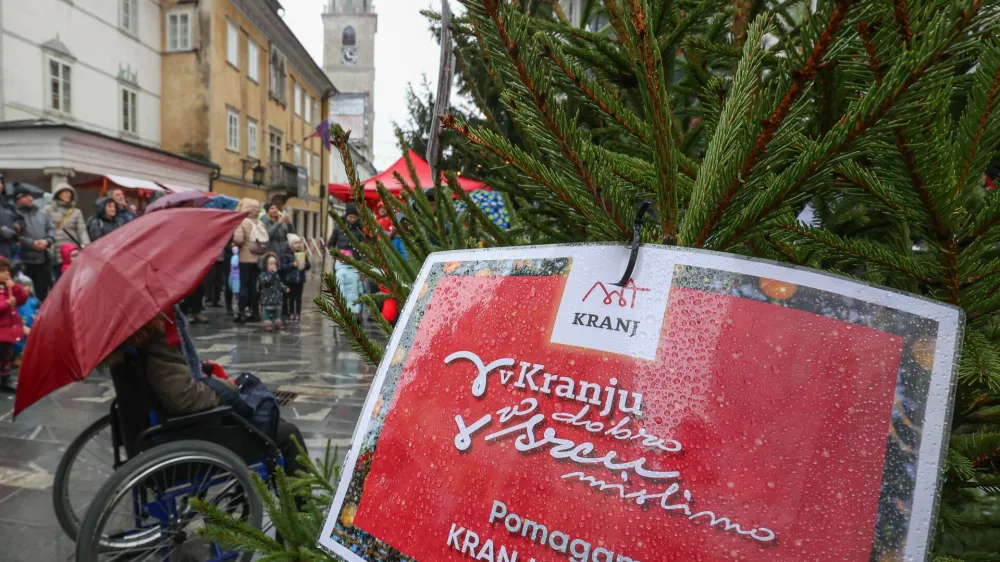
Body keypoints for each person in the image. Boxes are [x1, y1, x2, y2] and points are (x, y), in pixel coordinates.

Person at [103, 315, 307, 475]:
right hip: (180, 434)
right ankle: (300, 520)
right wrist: (225, 388)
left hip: (157, 431)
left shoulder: (131, 332)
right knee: (287, 435)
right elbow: (183, 397)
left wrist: (200, 375)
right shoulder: (156, 332)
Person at [13, 185, 55, 301]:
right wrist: (32, 244)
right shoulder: (14, 215)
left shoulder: (41, 213)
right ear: (18, 199)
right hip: (24, 261)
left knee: (43, 292)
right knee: (26, 294)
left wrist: (48, 240)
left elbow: (51, 228)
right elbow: (15, 236)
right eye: (26, 196)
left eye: (30, 196)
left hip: (42, 260)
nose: (30, 198)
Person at [44, 183, 90, 280]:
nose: (67, 195)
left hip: (72, 250)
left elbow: (82, 230)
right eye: (64, 192)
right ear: (58, 194)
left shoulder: (76, 212)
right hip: (56, 248)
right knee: (58, 277)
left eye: (69, 193)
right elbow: (45, 227)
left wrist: (86, 244)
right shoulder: (48, 210)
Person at [232, 198, 263, 323]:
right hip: (258, 259)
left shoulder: (242, 222)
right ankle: (255, 312)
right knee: (254, 286)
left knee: (243, 286)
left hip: (245, 258)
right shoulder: (260, 223)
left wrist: (235, 241)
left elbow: (239, 240)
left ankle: (241, 312)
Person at [0, 257, 28, 393]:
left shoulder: (9, 287)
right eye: (2, 271)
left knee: (7, 356)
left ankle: (5, 380)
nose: (6, 274)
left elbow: (22, 299)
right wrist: (6, 304)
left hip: (8, 331)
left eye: (7, 271)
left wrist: (15, 287)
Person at [280, 234, 310, 323]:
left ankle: (298, 314)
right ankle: (291, 313)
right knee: (291, 298)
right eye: (295, 243)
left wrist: (305, 265)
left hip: (299, 280)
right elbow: (283, 267)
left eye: (299, 243)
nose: (298, 245)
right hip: (290, 280)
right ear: (290, 245)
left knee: (298, 298)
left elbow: (308, 266)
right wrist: (293, 265)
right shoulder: (286, 255)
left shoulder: (302, 253)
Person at [258, 253, 288, 332]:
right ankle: (267, 322)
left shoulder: (277, 274)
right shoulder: (264, 274)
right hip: (267, 296)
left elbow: (279, 283)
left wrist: (284, 288)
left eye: (274, 264)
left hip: (277, 296)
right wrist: (272, 274)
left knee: (277, 310)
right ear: (266, 265)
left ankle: (277, 320)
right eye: (270, 264)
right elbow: (265, 282)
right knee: (268, 310)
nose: (273, 265)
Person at [335, 249, 364, 326]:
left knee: (355, 316)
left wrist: (361, 291)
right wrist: (342, 298)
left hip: (355, 297)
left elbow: (359, 281)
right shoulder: (340, 273)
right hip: (346, 299)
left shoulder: (354, 270)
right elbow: (340, 287)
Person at [14, 276, 39, 360]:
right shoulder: (15, 302)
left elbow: (37, 311)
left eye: (29, 285)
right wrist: (22, 326)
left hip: (32, 327)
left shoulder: (33, 301)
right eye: (25, 285)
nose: (28, 288)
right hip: (20, 329)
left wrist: (37, 316)